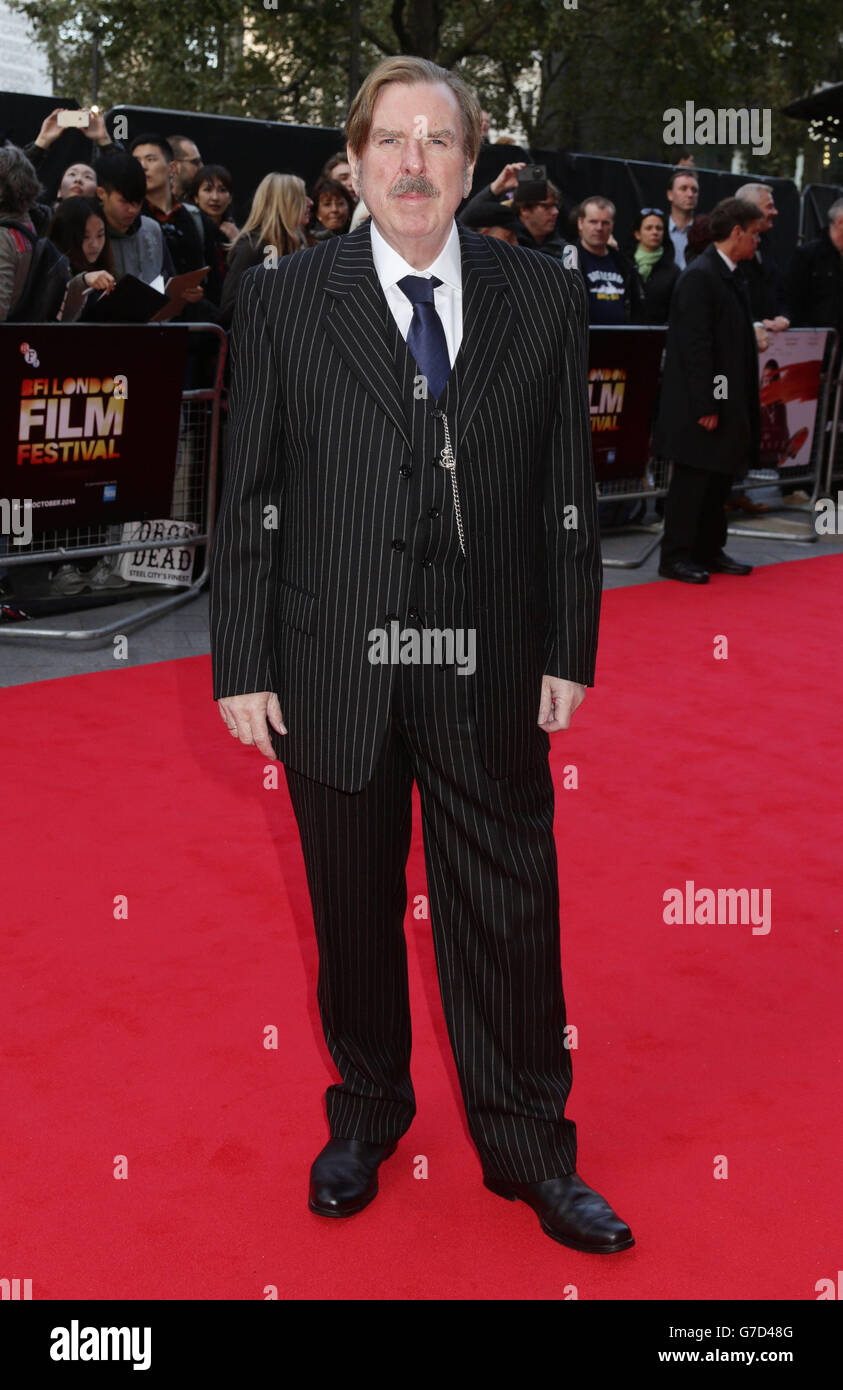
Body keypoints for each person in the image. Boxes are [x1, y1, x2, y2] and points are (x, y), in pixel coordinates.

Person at [209, 53, 633, 1255]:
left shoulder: (540, 296)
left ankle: (530, 1146)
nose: (412, 162)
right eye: (388, 140)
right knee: (349, 906)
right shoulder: (287, 300)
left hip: (487, 655)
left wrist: (570, 637)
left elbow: (568, 487)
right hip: (327, 653)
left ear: (471, 165)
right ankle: (369, 1110)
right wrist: (243, 657)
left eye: (437, 140)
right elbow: (250, 495)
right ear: (351, 166)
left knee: (506, 904)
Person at [654, 196, 764, 583]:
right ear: (736, 233)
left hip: (724, 402)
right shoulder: (702, 276)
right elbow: (696, 347)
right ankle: (677, 555)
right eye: (754, 234)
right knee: (693, 484)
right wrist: (710, 403)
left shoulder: (729, 275)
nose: (758, 242)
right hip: (701, 406)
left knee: (718, 481)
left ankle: (709, 550)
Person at [219, 173, 312, 328]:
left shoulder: (291, 244)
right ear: (284, 204)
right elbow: (230, 310)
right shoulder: (254, 248)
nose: (310, 202)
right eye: (302, 197)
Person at [576, 196, 643, 324]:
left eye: (605, 223)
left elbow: (636, 308)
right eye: (593, 222)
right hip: (584, 341)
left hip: (622, 340)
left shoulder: (625, 264)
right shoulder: (568, 261)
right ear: (580, 223)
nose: (599, 228)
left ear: (612, 225)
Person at [628, 207, 679, 323]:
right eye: (648, 228)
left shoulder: (673, 271)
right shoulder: (626, 265)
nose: (654, 232)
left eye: (659, 228)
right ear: (637, 234)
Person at [666, 168, 699, 269]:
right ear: (670, 194)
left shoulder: (703, 232)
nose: (690, 195)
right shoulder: (659, 229)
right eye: (683, 189)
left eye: (694, 190)